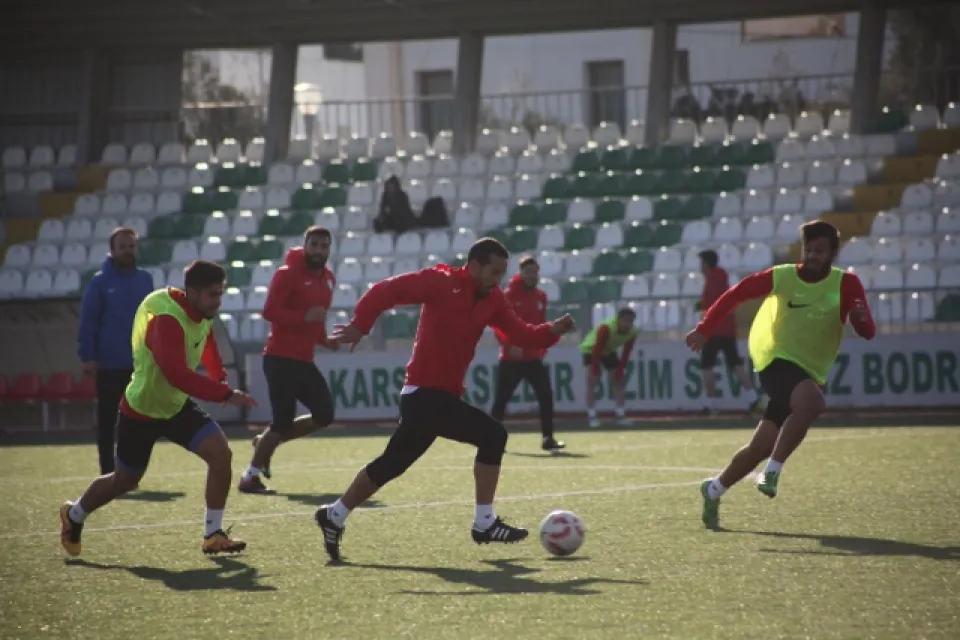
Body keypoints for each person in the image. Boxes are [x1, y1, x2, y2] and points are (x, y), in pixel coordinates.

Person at [314, 238, 575, 561]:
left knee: (391, 464)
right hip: (423, 394)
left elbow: (521, 334)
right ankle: (484, 522)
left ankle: (334, 515)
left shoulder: (493, 299)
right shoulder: (440, 281)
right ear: (474, 266)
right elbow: (384, 291)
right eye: (494, 272)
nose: (499, 280)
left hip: (437, 398)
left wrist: (552, 329)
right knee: (493, 435)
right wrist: (360, 325)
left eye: (503, 273)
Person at [59, 261, 257, 557]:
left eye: (220, 293)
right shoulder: (166, 320)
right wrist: (225, 393)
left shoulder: (201, 312)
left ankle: (213, 534)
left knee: (220, 454)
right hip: (142, 411)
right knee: (124, 481)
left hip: (175, 406)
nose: (218, 301)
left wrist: (219, 376)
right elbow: (177, 375)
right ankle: (74, 514)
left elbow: (206, 340)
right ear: (192, 292)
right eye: (212, 295)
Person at [686, 221, 875, 529]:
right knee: (812, 402)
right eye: (808, 249)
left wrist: (860, 319)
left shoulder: (847, 283)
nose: (812, 256)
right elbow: (736, 294)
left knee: (759, 447)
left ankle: (713, 489)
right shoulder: (783, 276)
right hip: (775, 358)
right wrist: (705, 329)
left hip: (809, 369)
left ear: (833, 254)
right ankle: (771, 472)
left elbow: (867, 332)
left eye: (820, 251)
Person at [240, 226, 339, 494]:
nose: (318, 250)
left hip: (304, 360)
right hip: (280, 357)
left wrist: (327, 341)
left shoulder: (329, 279)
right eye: (314, 244)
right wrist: (303, 316)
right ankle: (249, 477)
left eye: (324, 246)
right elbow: (270, 311)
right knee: (283, 420)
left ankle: (265, 442)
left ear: (329, 249)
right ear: (305, 246)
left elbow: (316, 323)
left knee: (324, 414)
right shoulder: (287, 274)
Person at [77, 227, 154, 475]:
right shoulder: (99, 283)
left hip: (139, 364)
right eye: (123, 247)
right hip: (109, 364)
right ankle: (108, 473)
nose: (128, 251)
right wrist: (88, 356)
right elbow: (88, 321)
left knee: (138, 420)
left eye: (132, 246)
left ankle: (130, 470)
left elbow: (153, 320)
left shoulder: (145, 280)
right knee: (108, 420)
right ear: (112, 250)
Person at [489, 256, 563, 451]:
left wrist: (542, 347)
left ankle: (548, 438)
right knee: (502, 399)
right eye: (528, 272)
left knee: (545, 395)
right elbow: (498, 324)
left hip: (532, 357)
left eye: (535, 272)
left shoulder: (541, 296)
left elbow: (541, 323)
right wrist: (509, 344)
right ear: (520, 273)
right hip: (511, 358)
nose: (532, 276)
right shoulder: (508, 295)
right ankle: (490, 439)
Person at [696, 249, 763, 415]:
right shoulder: (721, 278)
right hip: (727, 329)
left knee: (706, 365)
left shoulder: (713, 280)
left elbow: (712, 305)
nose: (700, 267)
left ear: (706, 264)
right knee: (735, 363)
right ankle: (753, 398)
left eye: (701, 263)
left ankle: (711, 404)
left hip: (714, 329)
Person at [579, 307, 638, 429]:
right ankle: (592, 416)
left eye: (630, 321)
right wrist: (595, 369)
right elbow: (597, 349)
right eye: (625, 321)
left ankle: (620, 415)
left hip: (608, 351)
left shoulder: (633, 331)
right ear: (618, 320)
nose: (627, 324)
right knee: (592, 381)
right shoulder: (606, 328)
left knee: (619, 382)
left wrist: (620, 369)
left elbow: (627, 352)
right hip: (591, 350)